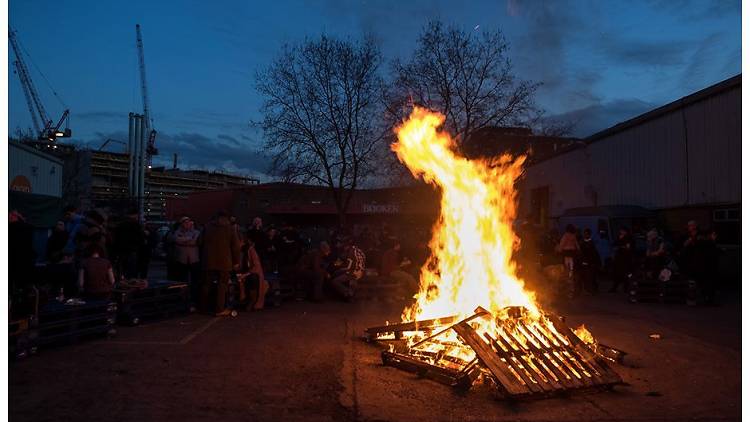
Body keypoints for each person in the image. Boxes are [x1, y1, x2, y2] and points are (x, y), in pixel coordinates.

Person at [200, 211, 240, 316]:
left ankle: (204, 307)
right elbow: (235, 246)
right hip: (224, 261)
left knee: (206, 284)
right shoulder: (230, 228)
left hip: (208, 260)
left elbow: (199, 242)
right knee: (222, 285)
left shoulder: (207, 227)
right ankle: (219, 309)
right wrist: (236, 261)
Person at [174, 216, 201, 306]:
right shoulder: (177, 232)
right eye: (184, 222)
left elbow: (195, 241)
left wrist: (184, 241)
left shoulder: (197, 232)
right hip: (182, 260)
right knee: (182, 280)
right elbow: (176, 239)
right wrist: (189, 239)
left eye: (188, 222)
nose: (186, 224)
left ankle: (194, 298)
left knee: (195, 280)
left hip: (194, 259)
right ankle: (182, 297)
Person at [237, 235, 269, 310]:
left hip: (252, 273)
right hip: (243, 273)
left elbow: (256, 266)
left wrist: (245, 274)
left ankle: (253, 300)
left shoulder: (250, 250)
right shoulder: (239, 251)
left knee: (253, 278)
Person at [113, 209, 145, 280]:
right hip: (132, 250)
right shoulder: (136, 225)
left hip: (121, 250)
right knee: (131, 271)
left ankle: (122, 282)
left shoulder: (120, 225)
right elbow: (141, 239)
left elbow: (116, 238)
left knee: (122, 270)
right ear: (135, 215)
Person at [610, 227, 633, 293]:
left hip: (625, 259)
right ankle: (614, 287)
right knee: (617, 273)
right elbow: (614, 245)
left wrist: (620, 247)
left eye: (622, 231)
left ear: (625, 231)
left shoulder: (629, 238)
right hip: (618, 259)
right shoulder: (619, 237)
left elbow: (628, 248)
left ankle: (626, 288)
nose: (620, 232)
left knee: (625, 274)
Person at [578, 228, 601, 294]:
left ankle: (593, 289)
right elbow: (581, 252)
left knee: (592, 276)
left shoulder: (591, 242)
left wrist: (596, 262)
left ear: (589, 234)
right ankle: (587, 289)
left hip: (591, 262)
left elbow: (594, 253)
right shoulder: (582, 242)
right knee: (585, 276)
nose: (585, 235)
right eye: (585, 233)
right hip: (585, 262)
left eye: (587, 234)